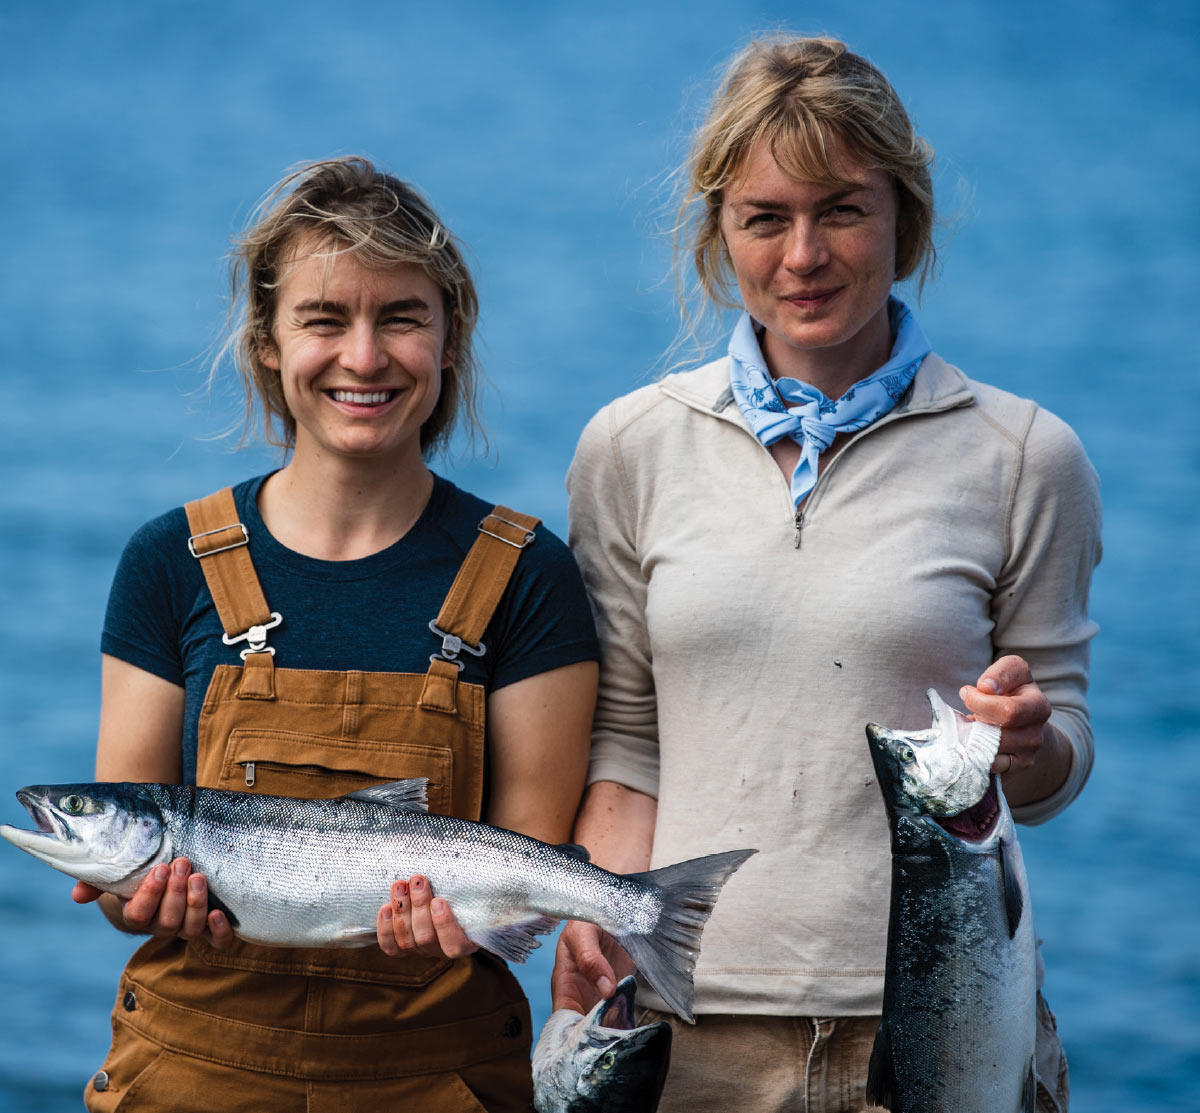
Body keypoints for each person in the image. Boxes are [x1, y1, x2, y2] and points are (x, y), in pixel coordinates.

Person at [553, 35, 1098, 1113]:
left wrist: (1026, 745)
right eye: (766, 217)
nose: (803, 255)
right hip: (685, 1034)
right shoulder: (628, 448)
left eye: (842, 209)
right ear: (721, 232)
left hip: (940, 1023)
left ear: (907, 219)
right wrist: (597, 915)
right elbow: (626, 742)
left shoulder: (1026, 456)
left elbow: (1056, 769)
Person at [73, 156, 599, 1112]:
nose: (364, 357)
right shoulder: (170, 562)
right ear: (267, 343)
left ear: (450, 338)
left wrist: (463, 916)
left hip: (436, 1081)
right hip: (192, 1077)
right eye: (324, 319)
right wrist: (133, 897)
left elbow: (527, 851)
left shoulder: (528, 575)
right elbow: (124, 873)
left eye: (401, 316)